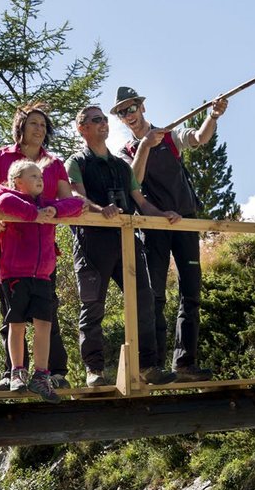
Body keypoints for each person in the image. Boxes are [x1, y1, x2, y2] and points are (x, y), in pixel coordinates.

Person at [112, 86, 229, 381]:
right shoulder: (125, 153)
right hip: (154, 227)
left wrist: (212, 116)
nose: (129, 115)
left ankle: (185, 363)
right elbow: (134, 182)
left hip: (186, 221)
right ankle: (155, 366)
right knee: (156, 296)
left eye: (132, 108)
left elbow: (200, 138)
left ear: (142, 107)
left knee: (191, 291)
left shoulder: (170, 136)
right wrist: (145, 147)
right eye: (123, 112)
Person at [65, 103, 180, 387]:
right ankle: (95, 371)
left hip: (127, 242)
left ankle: (148, 366)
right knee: (92, 307)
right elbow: (75, 198)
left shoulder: (120, 165)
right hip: (92, 243)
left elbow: (140, 202)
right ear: (82, 129)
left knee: (145, 300)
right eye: (95, 120)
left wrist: (162, 214)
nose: (103, 123)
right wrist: (100, 208)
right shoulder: (76, 162)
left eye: (104, 119)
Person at [0, 104, 79, 387]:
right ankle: (12, 373)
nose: (39, 129)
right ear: (20, 126)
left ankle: (53, 373)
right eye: (33, 123)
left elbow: (65, 199)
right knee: (10, 311)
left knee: (48, 310)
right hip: (7, 243)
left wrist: (52, 212)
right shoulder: (0, 156)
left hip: (43, 251)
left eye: (44, 125)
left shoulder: (54, 163)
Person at [0, 159, 85, 400]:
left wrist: (54, 211)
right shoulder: (10, 196)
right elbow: (0, 198)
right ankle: (17, 372)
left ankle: (41, 376)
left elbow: (76, 203)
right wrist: (35, 214)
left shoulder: (47, 203)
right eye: (33, 176)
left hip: (43, 274)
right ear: (18, 182)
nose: (40, 179)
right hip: (15, 274)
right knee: (17, 324)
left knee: (44, 324)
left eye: (41, 176)